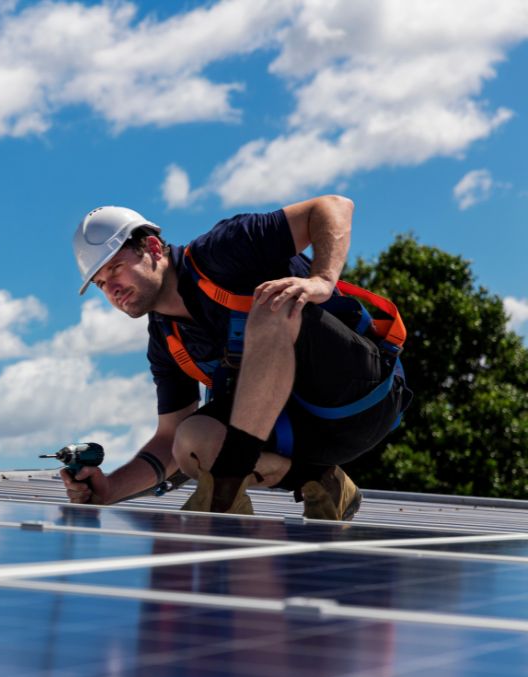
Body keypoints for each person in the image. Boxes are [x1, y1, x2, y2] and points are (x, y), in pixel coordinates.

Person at [60, 197, 412, 519]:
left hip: (361, 397)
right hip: (304, 432)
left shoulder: (223, 250)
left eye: (116, 268)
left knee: (272, 304)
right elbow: (168, 442)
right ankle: (322, 480)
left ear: (152, 247)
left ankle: (225, 487)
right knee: (191, 439)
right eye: (102, 284)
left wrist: (322, 279)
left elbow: (334, 206)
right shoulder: (166, 340)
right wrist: (108, 491)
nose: (113, 288)